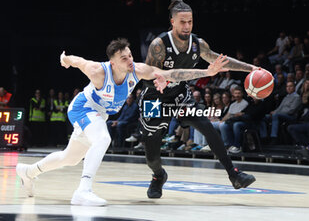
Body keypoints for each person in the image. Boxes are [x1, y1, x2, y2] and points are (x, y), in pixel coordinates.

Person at [16, 38, 229, 206]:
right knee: (102, 138)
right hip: (83, 109)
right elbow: (77, 61)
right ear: (113, 62)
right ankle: (83, 191)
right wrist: (65, 59)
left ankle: (28, 171)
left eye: (130, 56)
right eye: (124, 58)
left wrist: (206, 72)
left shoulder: (137, 70)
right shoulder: (98, 71)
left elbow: (171, 73)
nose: (129, 61)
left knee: (69, 158)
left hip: (98, 115)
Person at [139, 0, 266, 199]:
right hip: (154, 99)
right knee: (152, 154)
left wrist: (252, 68)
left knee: (206, 125)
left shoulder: (198, 44)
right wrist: (204, 71)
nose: (187, 26)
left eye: (190, 21)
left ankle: (234, 174)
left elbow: (219, 61)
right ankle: (158, 176)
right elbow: (159, 74)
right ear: (172, 21)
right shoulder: (159, 45)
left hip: (179, 95)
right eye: (182, 22)